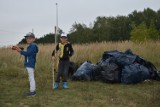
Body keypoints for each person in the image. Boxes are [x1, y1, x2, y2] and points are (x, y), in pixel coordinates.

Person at [13, 32, 38, 96]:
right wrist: (19, 49)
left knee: (31, 77)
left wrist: (19, 50)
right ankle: (32, 90)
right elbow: (27, 52)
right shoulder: (31, 46)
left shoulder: (33, 46)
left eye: (30, 38)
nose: (28, 39)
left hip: (30, 63)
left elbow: (28, 54)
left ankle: (32, 92)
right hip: (29, 63)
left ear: (33, 39)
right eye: (27, 38)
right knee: (30, 77)